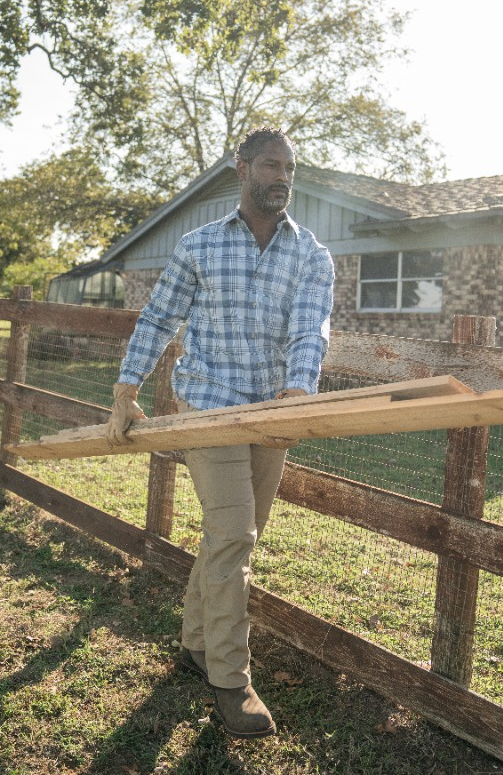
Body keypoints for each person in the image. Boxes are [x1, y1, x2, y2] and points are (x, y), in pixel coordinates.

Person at [105, 127, 335, 739]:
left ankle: (195, 641)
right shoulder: (199, 246)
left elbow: (309, 330)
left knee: (232, 537)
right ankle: (231, 683)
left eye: (289, 168)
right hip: (206, 404)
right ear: (241, 168)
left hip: (270, 414)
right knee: (235, 533)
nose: (281, 177)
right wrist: (126, 393)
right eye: (269, 165)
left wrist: (297, 395)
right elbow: (158, 319)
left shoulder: (312, 255)